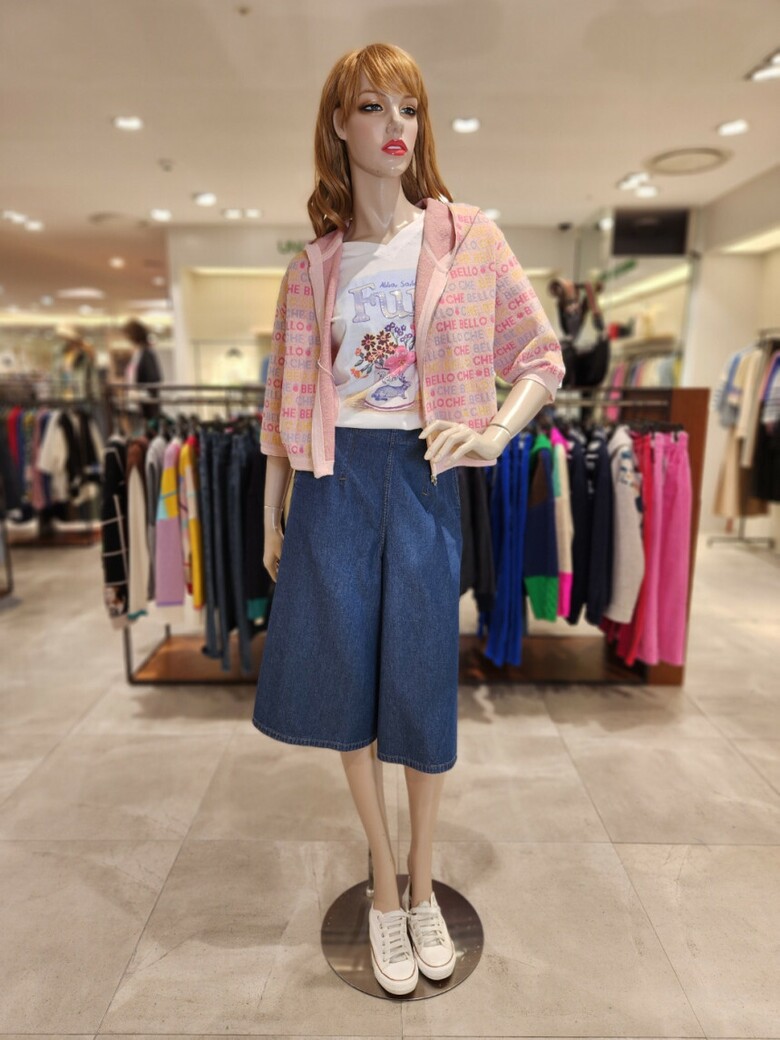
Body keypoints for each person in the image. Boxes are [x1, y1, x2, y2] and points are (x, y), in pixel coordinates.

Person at [252, 42, 564, 996]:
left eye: (410, 108)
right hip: (334, 483)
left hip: (425, 478)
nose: (395, 126)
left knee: (422, 680)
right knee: (347, 683)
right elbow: (282, 399)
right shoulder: (313, 267)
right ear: (338, 124)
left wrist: (493, 434)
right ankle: (385, 888)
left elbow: (541, 356)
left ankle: (425, 885)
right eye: (372, 106)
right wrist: (271, 511)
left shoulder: (468, 238)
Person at [121, 317, 163, 420]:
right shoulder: (137, 353)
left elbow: (154, 378)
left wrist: (142, 393)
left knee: (147, 426)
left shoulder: (146, 353)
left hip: (145, 403)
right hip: (136, 403)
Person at [54, 324, 99, 399]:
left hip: (80, 396)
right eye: (64, 337)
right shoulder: (59, 353)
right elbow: (56, 375)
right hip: (62, 395)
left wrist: (96, 398)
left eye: (68, 336)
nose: (66, 340)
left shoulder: (86, 353)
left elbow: (93, 378)